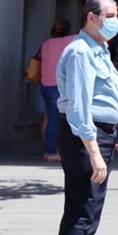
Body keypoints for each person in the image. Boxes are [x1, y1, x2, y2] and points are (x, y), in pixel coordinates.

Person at [49, 0, 118, 235]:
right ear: (91, 17)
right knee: (81, 212)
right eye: (110, 14)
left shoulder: (100, 50)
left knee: (91, 211)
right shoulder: (80, 53)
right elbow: (80, 108)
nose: (115, 20)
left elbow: (103, 95)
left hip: (102, 132)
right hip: (85, 137)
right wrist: (94, 151)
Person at [35, 19, 76, 162]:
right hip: (56, 87)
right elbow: (86, 34)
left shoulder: (45, 44)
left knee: (47, 119)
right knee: (55, 120)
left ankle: (45, 147)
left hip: (44, 85)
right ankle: (50, 152)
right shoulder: (68, 42)